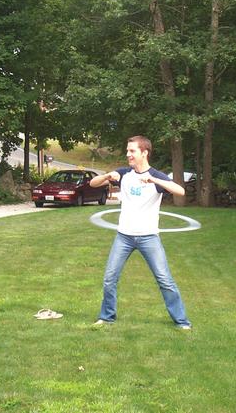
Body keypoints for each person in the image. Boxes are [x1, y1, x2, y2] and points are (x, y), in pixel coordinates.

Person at [90, 135, 192, 329]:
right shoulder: (124, 174)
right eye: (127, 151)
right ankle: (107, 317)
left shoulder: (156, 177)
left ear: (144, 153)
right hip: (124, 236)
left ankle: (182, 321)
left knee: (164, 280)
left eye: (132, 151)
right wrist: (107, 176)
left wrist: (153, 179)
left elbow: (180, 191)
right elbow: (93, 184)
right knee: (109, 278)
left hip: (149, 237)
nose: (128, 154)